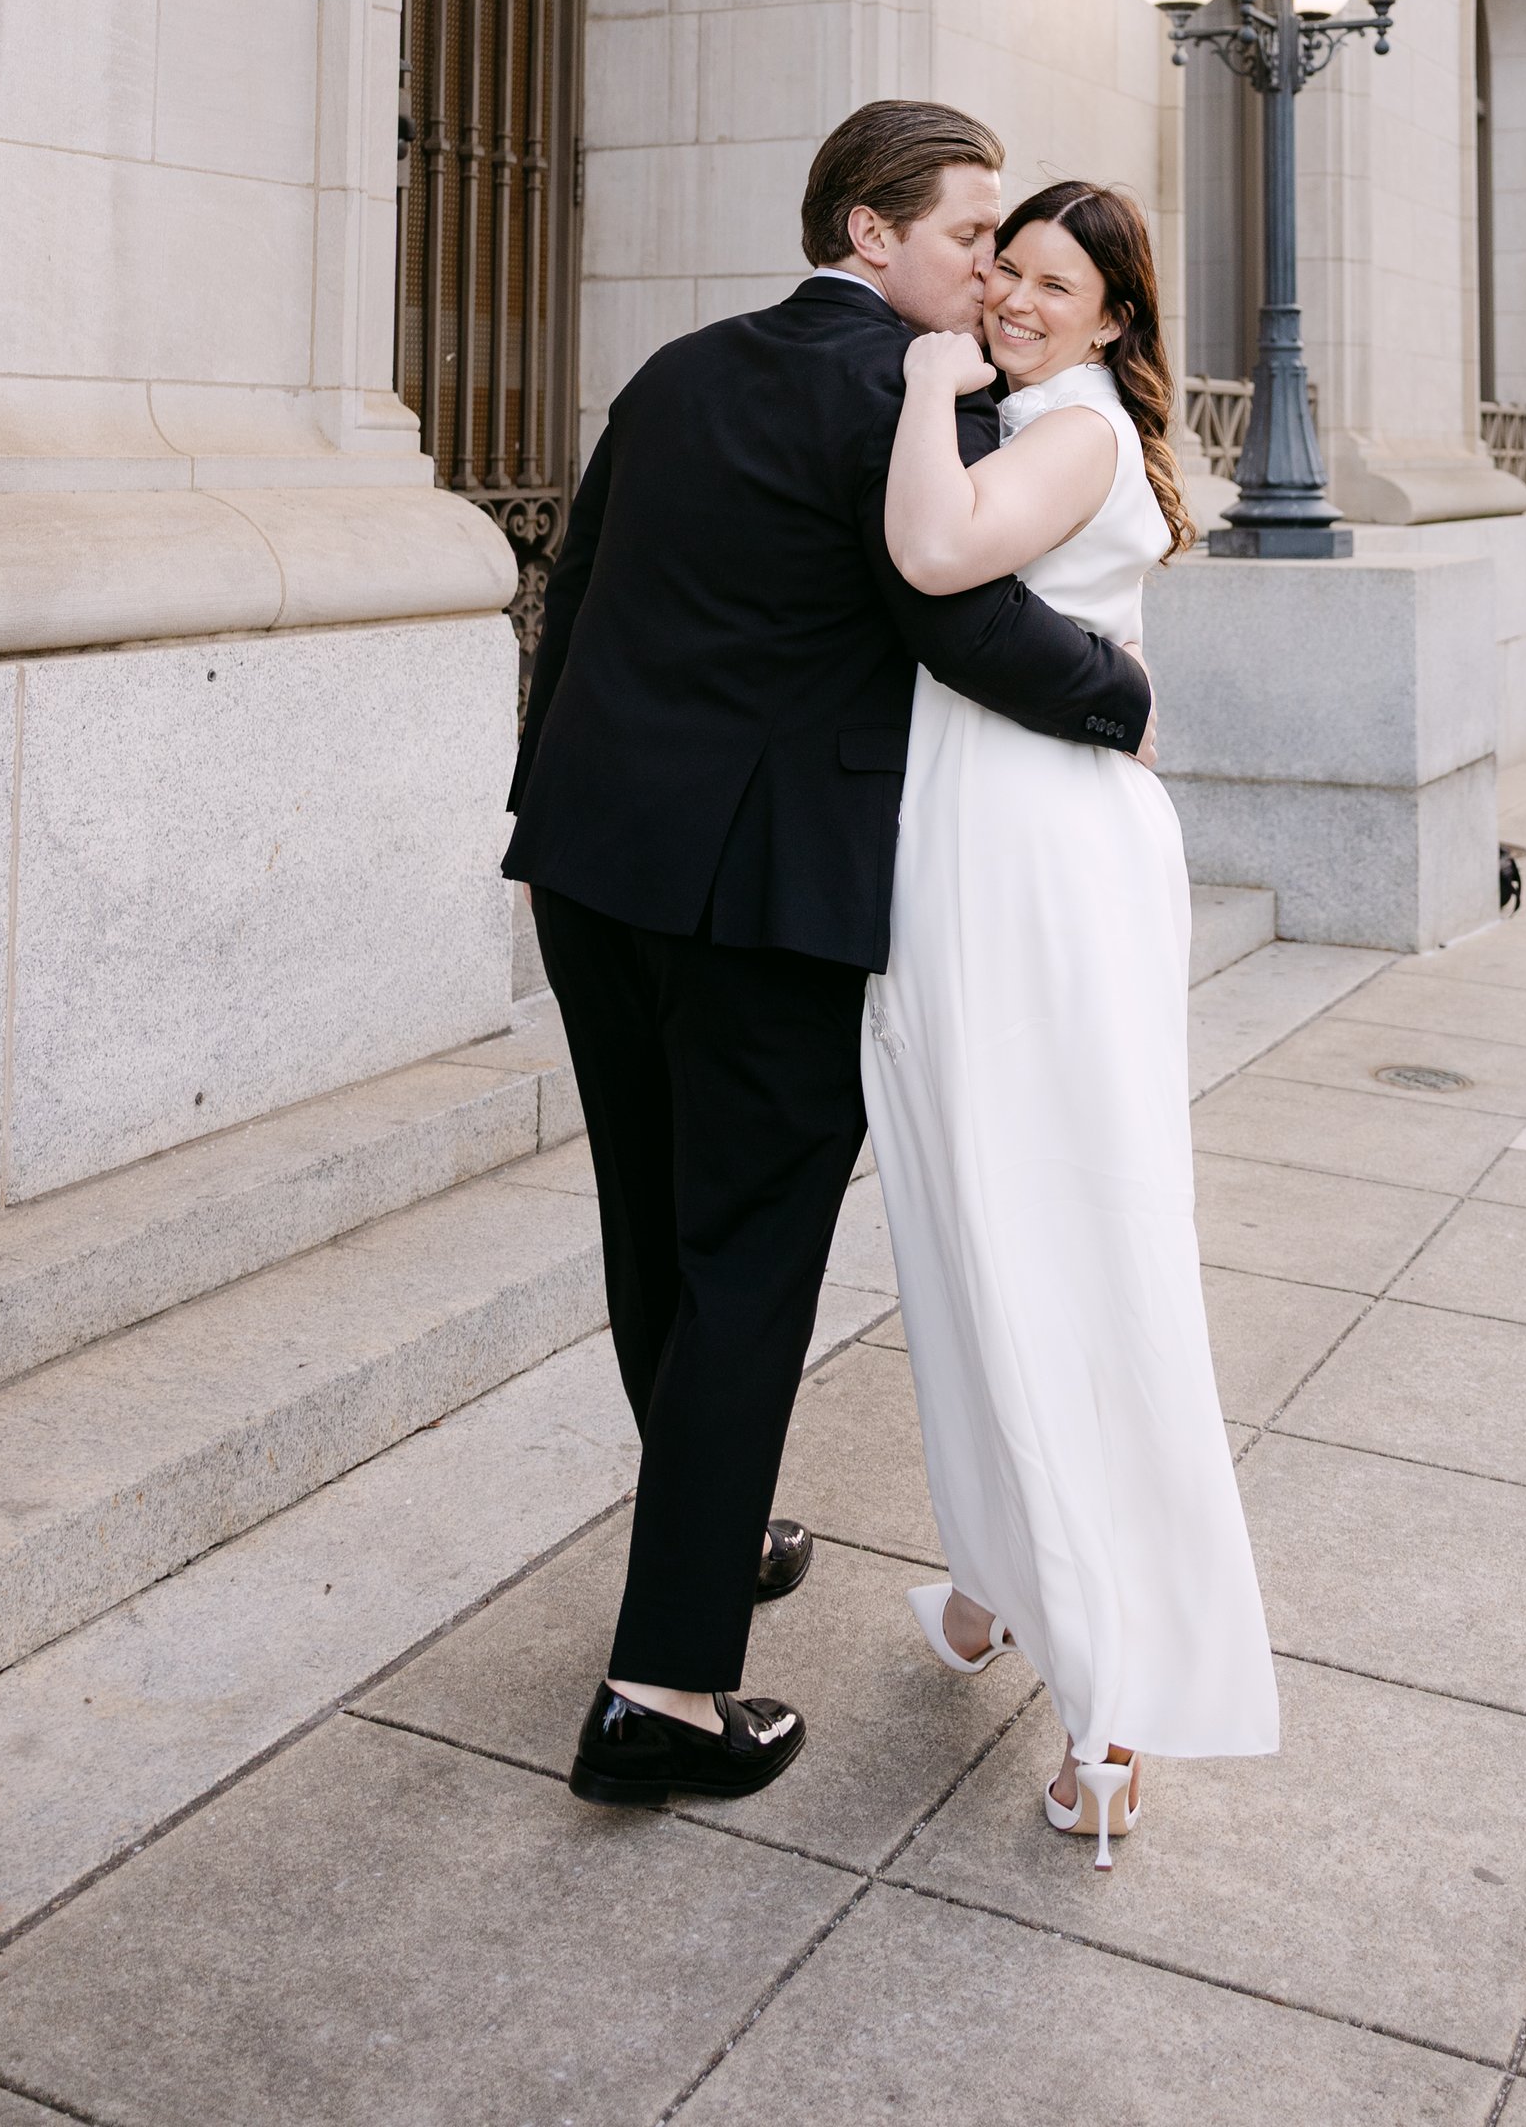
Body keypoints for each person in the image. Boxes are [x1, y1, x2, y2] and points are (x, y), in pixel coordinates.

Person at [503, 103, 1153, 1812]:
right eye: (969, 241)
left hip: (590, 866)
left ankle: (710, 1525)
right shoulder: (895, 394)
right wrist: (1123, 696)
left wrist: (545, 811)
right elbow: (956, 613)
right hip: (762, 902)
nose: (993, 281)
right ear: (872, 235)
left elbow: (572, 599)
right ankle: (664, 1692)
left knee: (653, 1227)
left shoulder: (673, 367)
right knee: (748, 1268)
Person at [868, 182, 1279, 1868]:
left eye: (1055, 284)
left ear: (1116, 317)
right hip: (991, 845)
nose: (1020, 299)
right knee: (974, 1222)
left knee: (1050, 1238)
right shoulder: (1041, 412)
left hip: (1034, 867)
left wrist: (915, 383)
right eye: (1006, 271)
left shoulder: (1069, 429)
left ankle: (1108, 1702)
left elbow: (932, 555)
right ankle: (994, 1577)